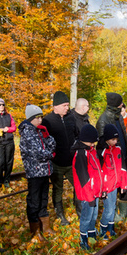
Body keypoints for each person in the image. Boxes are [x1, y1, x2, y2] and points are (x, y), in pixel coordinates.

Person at [19, 105, 56, 238]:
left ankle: (45, 226)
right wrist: (51, 155)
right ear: (30, 119)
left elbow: (52, 145)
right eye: (37, 118)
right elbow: (38, 153)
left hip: (45, 171)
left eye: (41, 117)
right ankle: (35, 230)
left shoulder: (39, 130)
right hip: (35, 172)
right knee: (34, 200)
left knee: (43, 198)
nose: (40, 120)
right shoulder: (27, 133)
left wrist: (48, 136)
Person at [96, 92, 127, 223]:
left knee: (126, 182)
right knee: (113, 185)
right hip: (113, 159)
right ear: (115, 104)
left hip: (123, 156)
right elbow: (102, 143)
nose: (122, 105)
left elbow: (124, 135)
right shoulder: (103, 120)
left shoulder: (119, 116)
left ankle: (124, 211)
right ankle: (114, 211)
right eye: (120, 103)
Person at [41, 91, 77, 225]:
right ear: (55, 106)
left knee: (78, 185)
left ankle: (79, 208)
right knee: (58, 189)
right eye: (64, 105)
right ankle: (60, 214)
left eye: (68, 105)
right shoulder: (47, 121)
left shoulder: (71, 118)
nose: (67, 108)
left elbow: (76, 134)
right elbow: (44, 142)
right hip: (56, 163)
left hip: (71, 162)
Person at [72, 124, 103, 250]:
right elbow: (83, 179)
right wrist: (89, 196)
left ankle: (91, 233)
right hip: (87, 194)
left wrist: (100, 190)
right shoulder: (81, 154)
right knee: (86, 216)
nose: (93, 144)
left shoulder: (91, 151)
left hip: (94, 191)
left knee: (94, 214)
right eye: (91, 142)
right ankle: (83, 238)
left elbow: (97, 172)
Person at [98, 123, 127, 239]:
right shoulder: (102, 152)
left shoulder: (118, 149)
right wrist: (102, 189)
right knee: (108, 209)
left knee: (113, 207)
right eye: (113, 139)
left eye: (116, 139)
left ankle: (110, 227)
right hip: (106, 186)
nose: (115, 141)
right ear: (107, 139)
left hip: (115, 184)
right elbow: (99, 172)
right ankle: (103, 228)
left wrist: (123, 184)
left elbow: (123, 168)